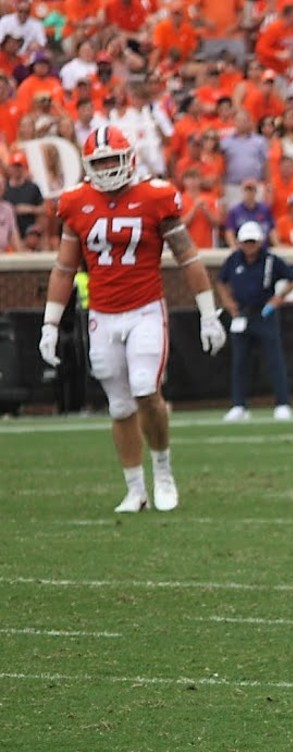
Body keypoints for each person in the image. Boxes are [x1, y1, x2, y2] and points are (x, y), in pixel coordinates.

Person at [38, 126, 226, 512]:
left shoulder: (155, 196)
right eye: (100, 162)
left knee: (145, 388)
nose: (108, 168)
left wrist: (209, 313)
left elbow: (188, 257)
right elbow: (63, 268)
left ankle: (163, 470)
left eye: (112, 159)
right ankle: (135, 489)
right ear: (88, 166)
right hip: (102, 315)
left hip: (144, 308)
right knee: (120, 406)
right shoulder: (76, 202)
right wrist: (49, 325)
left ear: (130, 158)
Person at [214, 220, 293, 421]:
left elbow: (292, 277)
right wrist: (228, 303)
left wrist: (278, 298)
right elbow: (220, 281)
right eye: (246, 242)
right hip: (241, 314)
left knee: (274, 359)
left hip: (264, 314)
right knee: (240, 361)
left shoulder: (270, 260)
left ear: (259, 241)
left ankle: (282, 403)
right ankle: (239, 405)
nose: (250, 246)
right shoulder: (234, 260)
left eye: (253, 242)